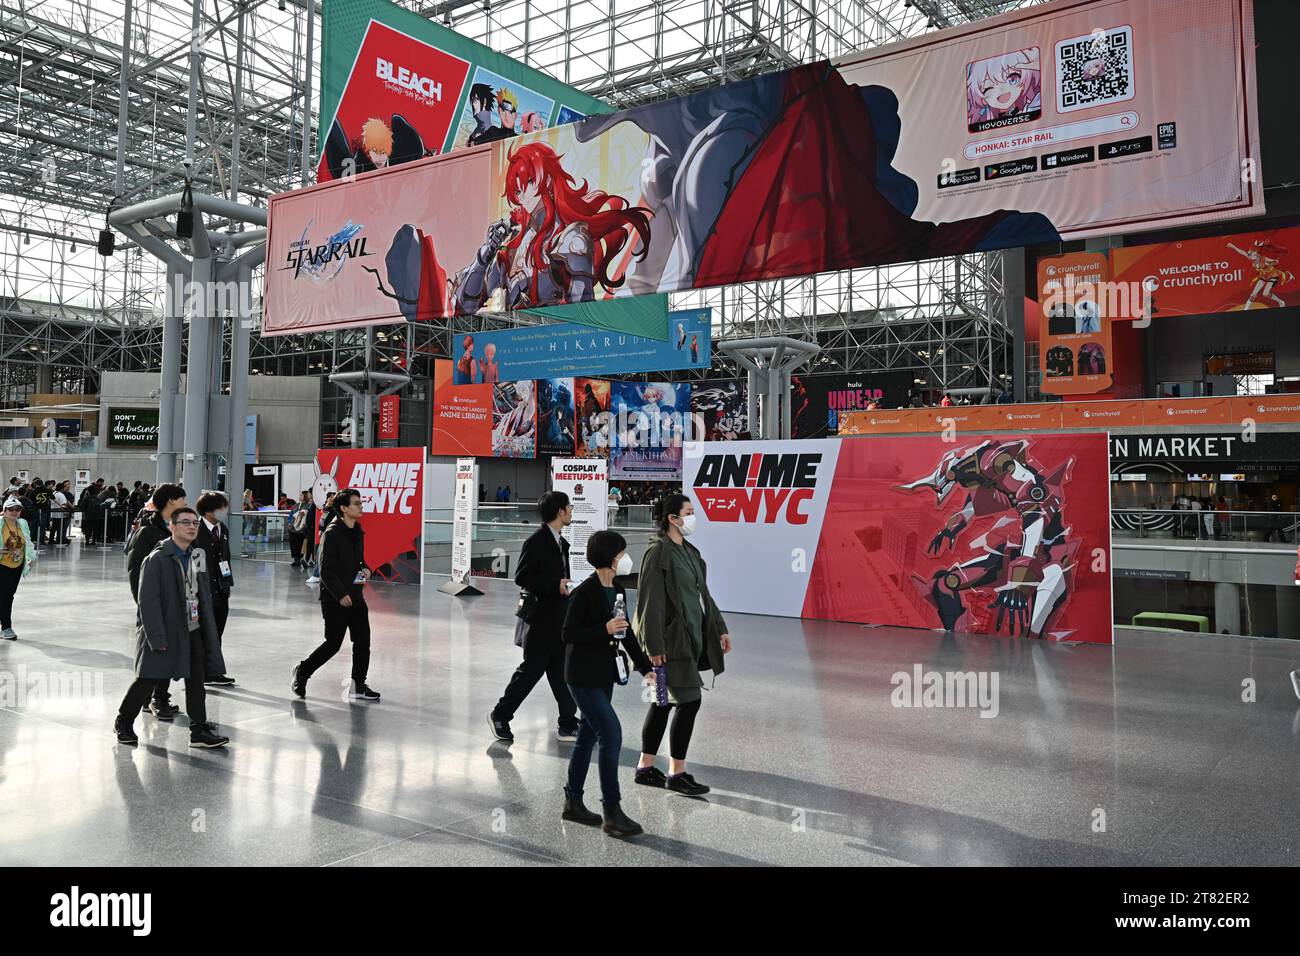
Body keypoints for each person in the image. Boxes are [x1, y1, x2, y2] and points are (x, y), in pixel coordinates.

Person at [632, 494, 732, 796]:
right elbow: (649, 601)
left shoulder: (689, 551)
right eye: (688, 512)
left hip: (688, 639)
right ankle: (677, 773)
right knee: (689, 701)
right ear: (672, 519)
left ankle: (645, 768)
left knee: (663, 703)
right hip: (670, 642)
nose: (692, 517)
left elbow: (704, 594)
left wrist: (719, 627)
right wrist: (653, 645)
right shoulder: (658, 552)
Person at [560, 530, 653, 837]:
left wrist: (645, 667)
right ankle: (611, 810)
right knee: (610, 734)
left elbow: (625, 632)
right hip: (582, 677)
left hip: (604, 675)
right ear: (612, 557)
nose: (626, 558)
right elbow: (568, 634)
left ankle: (573, 801)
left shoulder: (617, 590)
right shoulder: (584, 592)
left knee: (588, 736)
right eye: (623, 552)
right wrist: (603, 628)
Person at [113, 507, 229, 748]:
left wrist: (206, 628)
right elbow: (148, 602)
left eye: (195, 523)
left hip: (192, 628)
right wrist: (157, 637)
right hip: (164, 630)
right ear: (172, 527)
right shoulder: (156, 559)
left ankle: (198, 730)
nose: (192, 526)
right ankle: (123, 721)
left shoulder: (197, 555)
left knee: (196, 681)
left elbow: (201, 594)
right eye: (185, 522)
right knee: (148, 678)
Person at [488, 491, 579, 742]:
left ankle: (568, 722)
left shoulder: (561, 542)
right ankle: (500, 715)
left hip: (557, 617)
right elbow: (522, 577)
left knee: (561, 672)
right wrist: (555, 585)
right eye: (569, 507)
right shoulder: (537, 541)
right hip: (539, 619)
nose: (571, 511)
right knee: (531, 671)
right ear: (560, 511)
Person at [292, 488, 381, 701]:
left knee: (362, 642)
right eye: (356, 503)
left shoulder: (357, 531)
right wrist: (341, 594)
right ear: (343, 508)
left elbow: (359, 562)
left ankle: (358, 684)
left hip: (356, 596)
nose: (361, 507)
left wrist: (366, 570)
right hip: (334, 599)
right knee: (332, 643)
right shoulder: (331, 534)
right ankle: (303, 671)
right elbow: (326, 570)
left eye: (361, 503)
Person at [126, 483, 188, 721]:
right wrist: (144, 607)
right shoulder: (147, 532)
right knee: (155, 653)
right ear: (170, 502)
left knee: (170, 651)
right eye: (182, 499)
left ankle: (157, 696)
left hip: (177, 604)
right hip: (154, 606)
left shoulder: (179, 528)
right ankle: (153, 699)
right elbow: (135, 572)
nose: (185, 503)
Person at [195, 491, 237, 686]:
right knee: (204, 632)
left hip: (221, 589)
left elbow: (225, 559)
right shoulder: (196, 530)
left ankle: (213, 670)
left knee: (218, 630)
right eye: (221, 507)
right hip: (202, 589)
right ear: (209, 510)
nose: (224, 511)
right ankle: (203, 672)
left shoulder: (224, 530)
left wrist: (227, 582)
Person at [0, 496, 37, 640]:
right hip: (2, 565)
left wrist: (30, 557)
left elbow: (27, 541)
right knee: (6, 596)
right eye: (11, 509)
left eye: (18, 509)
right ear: (4, 510)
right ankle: (6, 627)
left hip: (17, 564)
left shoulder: (22, 523)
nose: (14, 512)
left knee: (8, 595)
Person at [305, 491, 335, 585]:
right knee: (319, 555)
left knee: (321, 556)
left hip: (329, 536)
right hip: (323, 535)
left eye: (332, 498)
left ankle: (317, 575)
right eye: (329, 497)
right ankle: (317, 575)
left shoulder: (335, 511)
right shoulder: (326, 509)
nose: (330, 499)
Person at [287, 490, 312, 568]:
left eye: (301, 495)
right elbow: (291, 515)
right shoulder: (296, 505)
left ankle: (301, 559)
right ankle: (295, 559)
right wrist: (289, 523)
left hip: (302, 530)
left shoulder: (308, 506)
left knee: (301, 545)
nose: (300, 496)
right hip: (292, 529)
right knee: (293, 545)